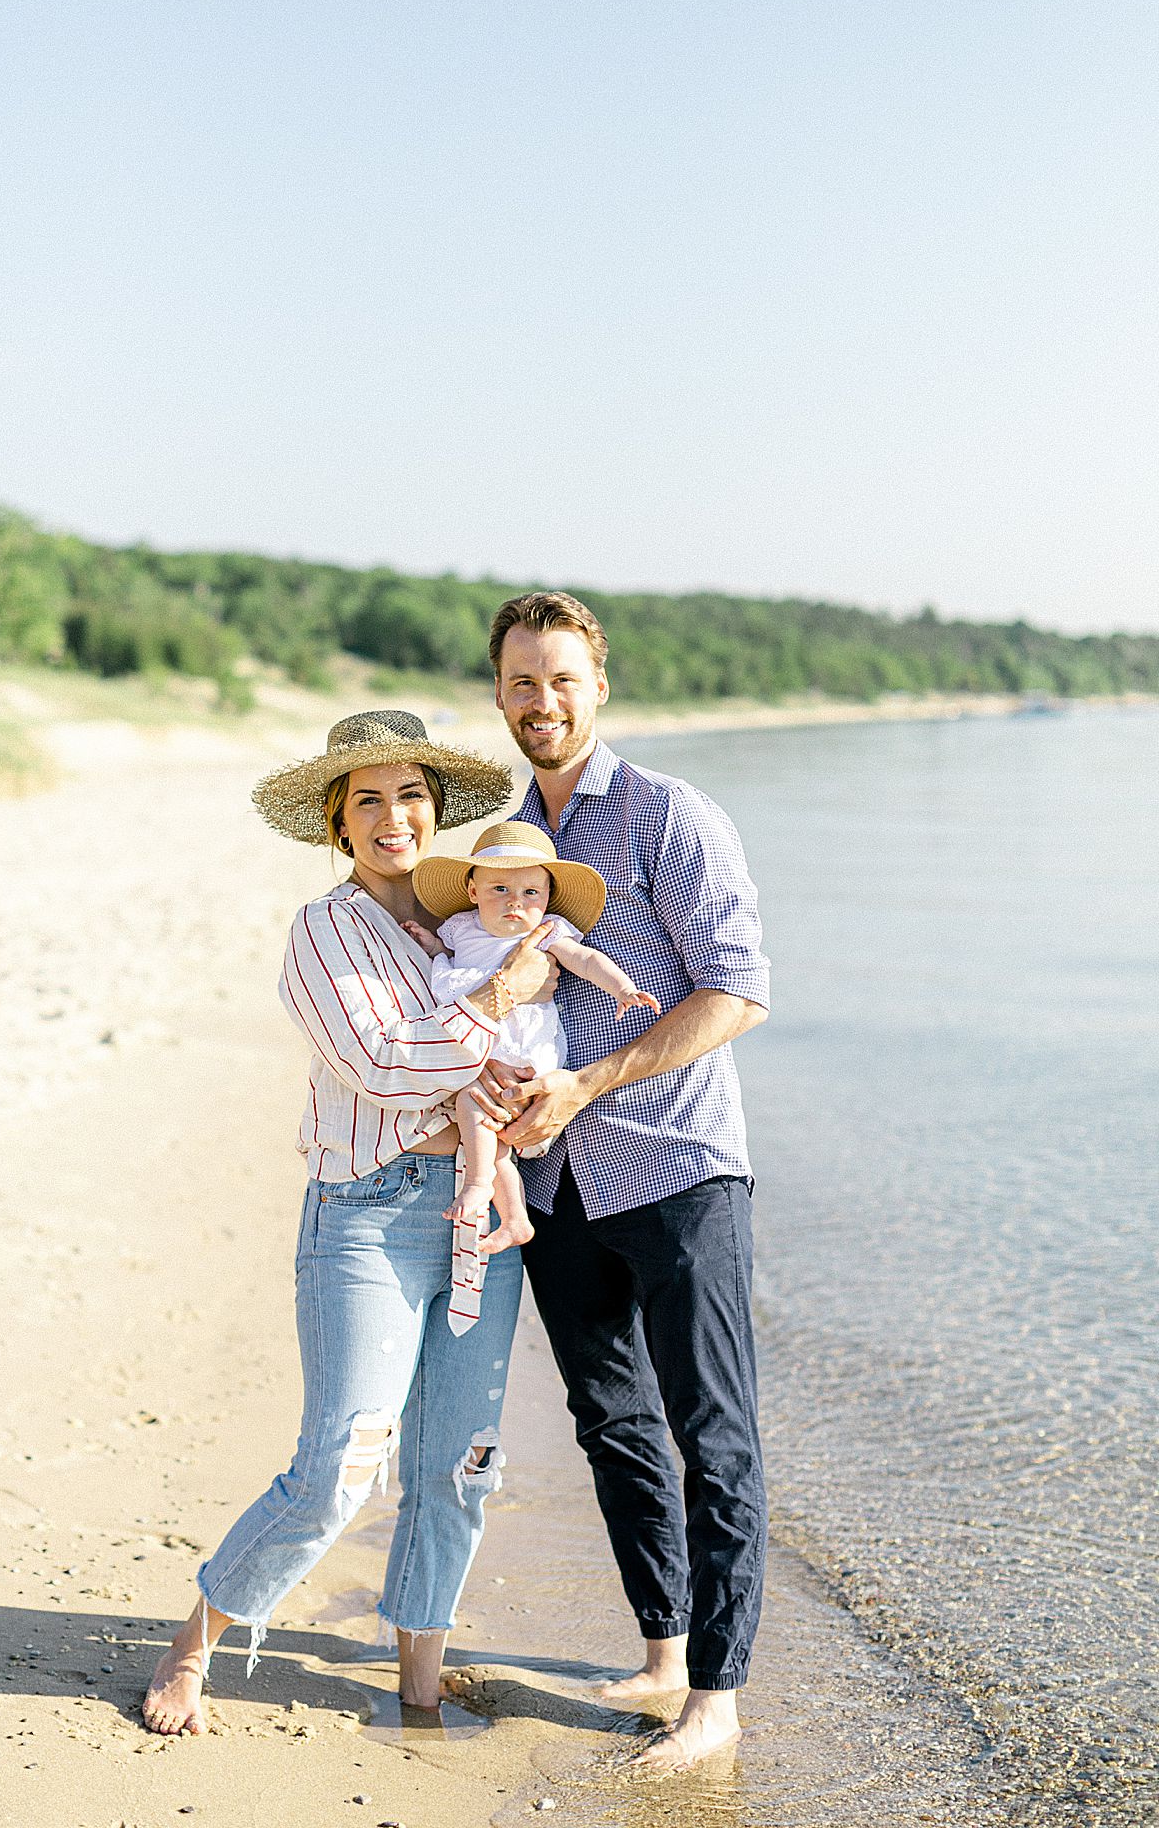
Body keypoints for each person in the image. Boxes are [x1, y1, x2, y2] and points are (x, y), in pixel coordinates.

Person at [142, 709, 557, 1736]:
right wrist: (501, 996)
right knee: (337, 1468)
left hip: (472, 1223)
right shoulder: (324, 929)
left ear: (435, 811)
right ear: (336, 824)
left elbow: (512, 1069)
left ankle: (419, 1682)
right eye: (365, 799)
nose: (391, 816)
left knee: (457, 1464)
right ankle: (190, 1650)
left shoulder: (464, 926)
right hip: (365, 1217)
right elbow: (379, 1062)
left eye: (409, 795)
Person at [483, 592, 771, 1775]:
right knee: (611, 1422)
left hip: (676, 1166)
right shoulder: (506, 845)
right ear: (498, 696)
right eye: (518, 683)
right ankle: (661, 1650)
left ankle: (716, 1694)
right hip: (556, 1187)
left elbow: (737, 990)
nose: (540, 702)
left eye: (559, 679)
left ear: (597, 686)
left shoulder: (668, 816)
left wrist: (589, 1082)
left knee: (713, 1428)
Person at [405, 821, 660, 1284]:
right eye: (499, 888)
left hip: (528, 1045)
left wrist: (622, 987)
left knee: (481, 1113)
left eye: (530, 892)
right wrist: (430, 944)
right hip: (477, 1042)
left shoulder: (546, 931)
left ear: (545, 898)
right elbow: (448, 953)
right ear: (472, 889)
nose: (514, 902)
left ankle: (479, 1187)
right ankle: (516, 1218)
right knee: (486, 1120)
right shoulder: (460, 927)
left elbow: (584, 960)